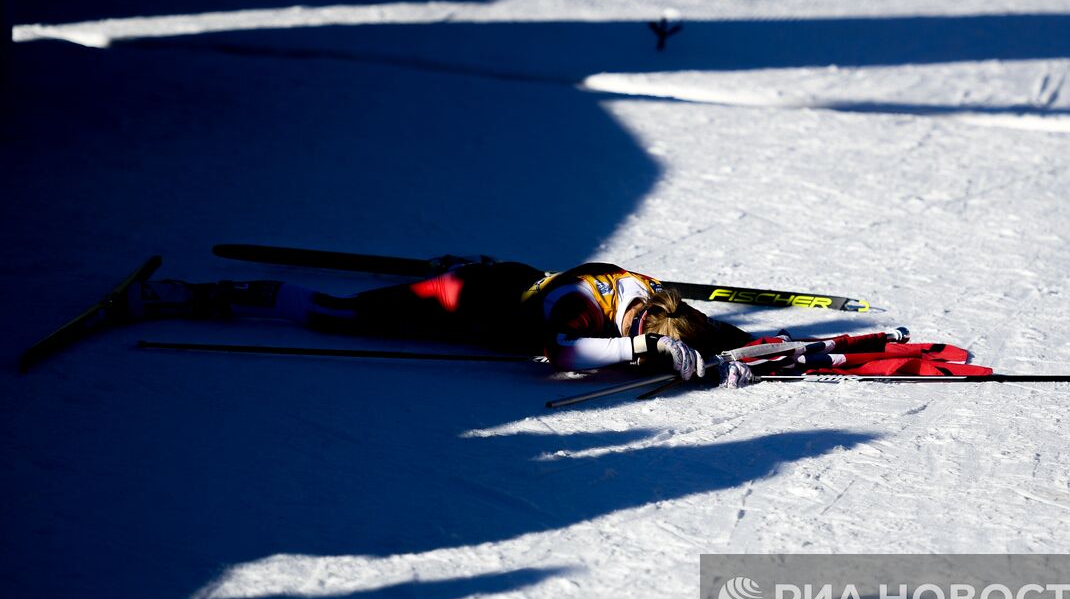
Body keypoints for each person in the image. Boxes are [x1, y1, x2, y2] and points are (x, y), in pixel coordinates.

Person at [122, 257, 759, 387]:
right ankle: (190, 295)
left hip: (501, 278)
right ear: (636, 323)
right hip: (459, 301)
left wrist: (742, 345)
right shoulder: (578, 312)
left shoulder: (645, 289)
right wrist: (638, 350)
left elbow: (690, 324)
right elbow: (565, 355)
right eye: (635, 336)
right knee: (333, 313)